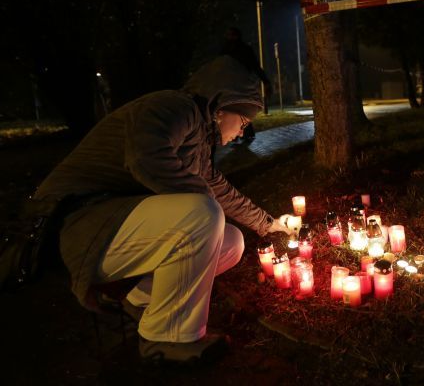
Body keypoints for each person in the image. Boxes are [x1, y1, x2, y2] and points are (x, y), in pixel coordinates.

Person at [32, 56, 293, 363]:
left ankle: (140, 296)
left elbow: (220, 190)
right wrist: (202, 202)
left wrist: (269, 223)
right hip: (75, 223)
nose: (241, 133)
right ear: (222, 107)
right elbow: (145, 157)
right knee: (202, 214)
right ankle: (167, 337)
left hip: (113, 224)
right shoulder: (173, 107)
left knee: (231, 242)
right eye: (244, 123)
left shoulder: (199, 142)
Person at [219, 27, 271, 142]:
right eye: (228, 35)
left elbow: (255, 66)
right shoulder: (226, 50)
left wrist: (265, 81)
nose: (229, 38)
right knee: (235, 109)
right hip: (231, 84)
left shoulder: (243, 49)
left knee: (241, 109)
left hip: (240, 84)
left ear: (237, 36)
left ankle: (245, 133)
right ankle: (239, 134)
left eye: (231, 35)